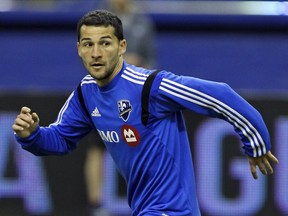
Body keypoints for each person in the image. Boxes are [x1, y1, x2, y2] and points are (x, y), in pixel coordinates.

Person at [12, 10, 279, 215]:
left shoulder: (149, 86)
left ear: (122, 46)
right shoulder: (86, 92)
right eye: (88, 44)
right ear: (78, 49)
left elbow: (220, 94)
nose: (96, 53)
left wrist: (255, 143)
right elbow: (60, 140)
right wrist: (32, 135)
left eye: (105, 43)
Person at [83, 1, 156, 215]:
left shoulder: (143, 22)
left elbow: (152, 60)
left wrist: (135, 66)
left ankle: (147, 202)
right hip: (105, 96)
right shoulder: (95, 21)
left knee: (142, 149)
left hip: (134, 97)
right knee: (96, 147)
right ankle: (96, 204)